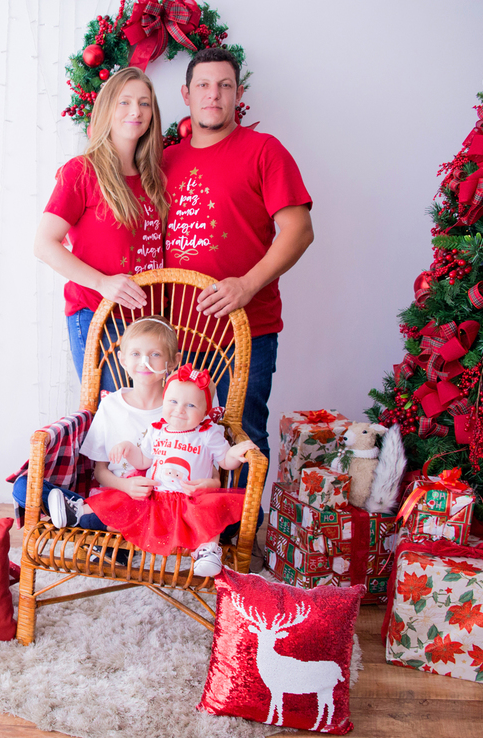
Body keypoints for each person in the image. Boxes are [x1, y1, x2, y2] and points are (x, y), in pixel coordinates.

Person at [163, 46, 314, 480]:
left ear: (238, 93)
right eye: (204, 86)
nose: (214, 94)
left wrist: (246, 285)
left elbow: (299, 230)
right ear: (186, 94)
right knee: (180, 436)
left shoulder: (264, 151)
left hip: (245, 329)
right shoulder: (165, 159)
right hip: (181, 334)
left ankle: (239, 541)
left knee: (243, 435)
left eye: (224, 86)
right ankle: (196, 537)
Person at [35, 66, 168, 383]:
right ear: (107, 108)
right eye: (124, 102)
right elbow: (44, 244)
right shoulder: (81, 171)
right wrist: (103, 283)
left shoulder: (155, 178)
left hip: (150, 324)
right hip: (99, 315)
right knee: (112, 421)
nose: (136, 111)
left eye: (144, 103)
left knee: (148, 423)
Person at [81, 365, 257, 577]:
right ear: (164, 402)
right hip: (155, 498)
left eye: (191, 405)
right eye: (173, 402)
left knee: (210, 514)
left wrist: (235, 452)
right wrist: (128, 448)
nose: (179, 410)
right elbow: (144, 460)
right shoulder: (157, 429)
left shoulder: (208, 433)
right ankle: (78, 513)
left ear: (204, 412)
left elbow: (226, 461)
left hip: (190, 500)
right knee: (121, 505)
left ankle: (207, 551)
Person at [15, 316, 179, 537]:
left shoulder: (178, 409)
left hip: (158, 501)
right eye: (136, 354)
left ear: (173, 361)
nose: (144, 362)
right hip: (113, 494)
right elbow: (100, 471)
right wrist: (125, 486)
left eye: (155, 354)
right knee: (23, 487)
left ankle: (83, 517)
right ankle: (88, 515)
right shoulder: (111, 405)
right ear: (122, 360)